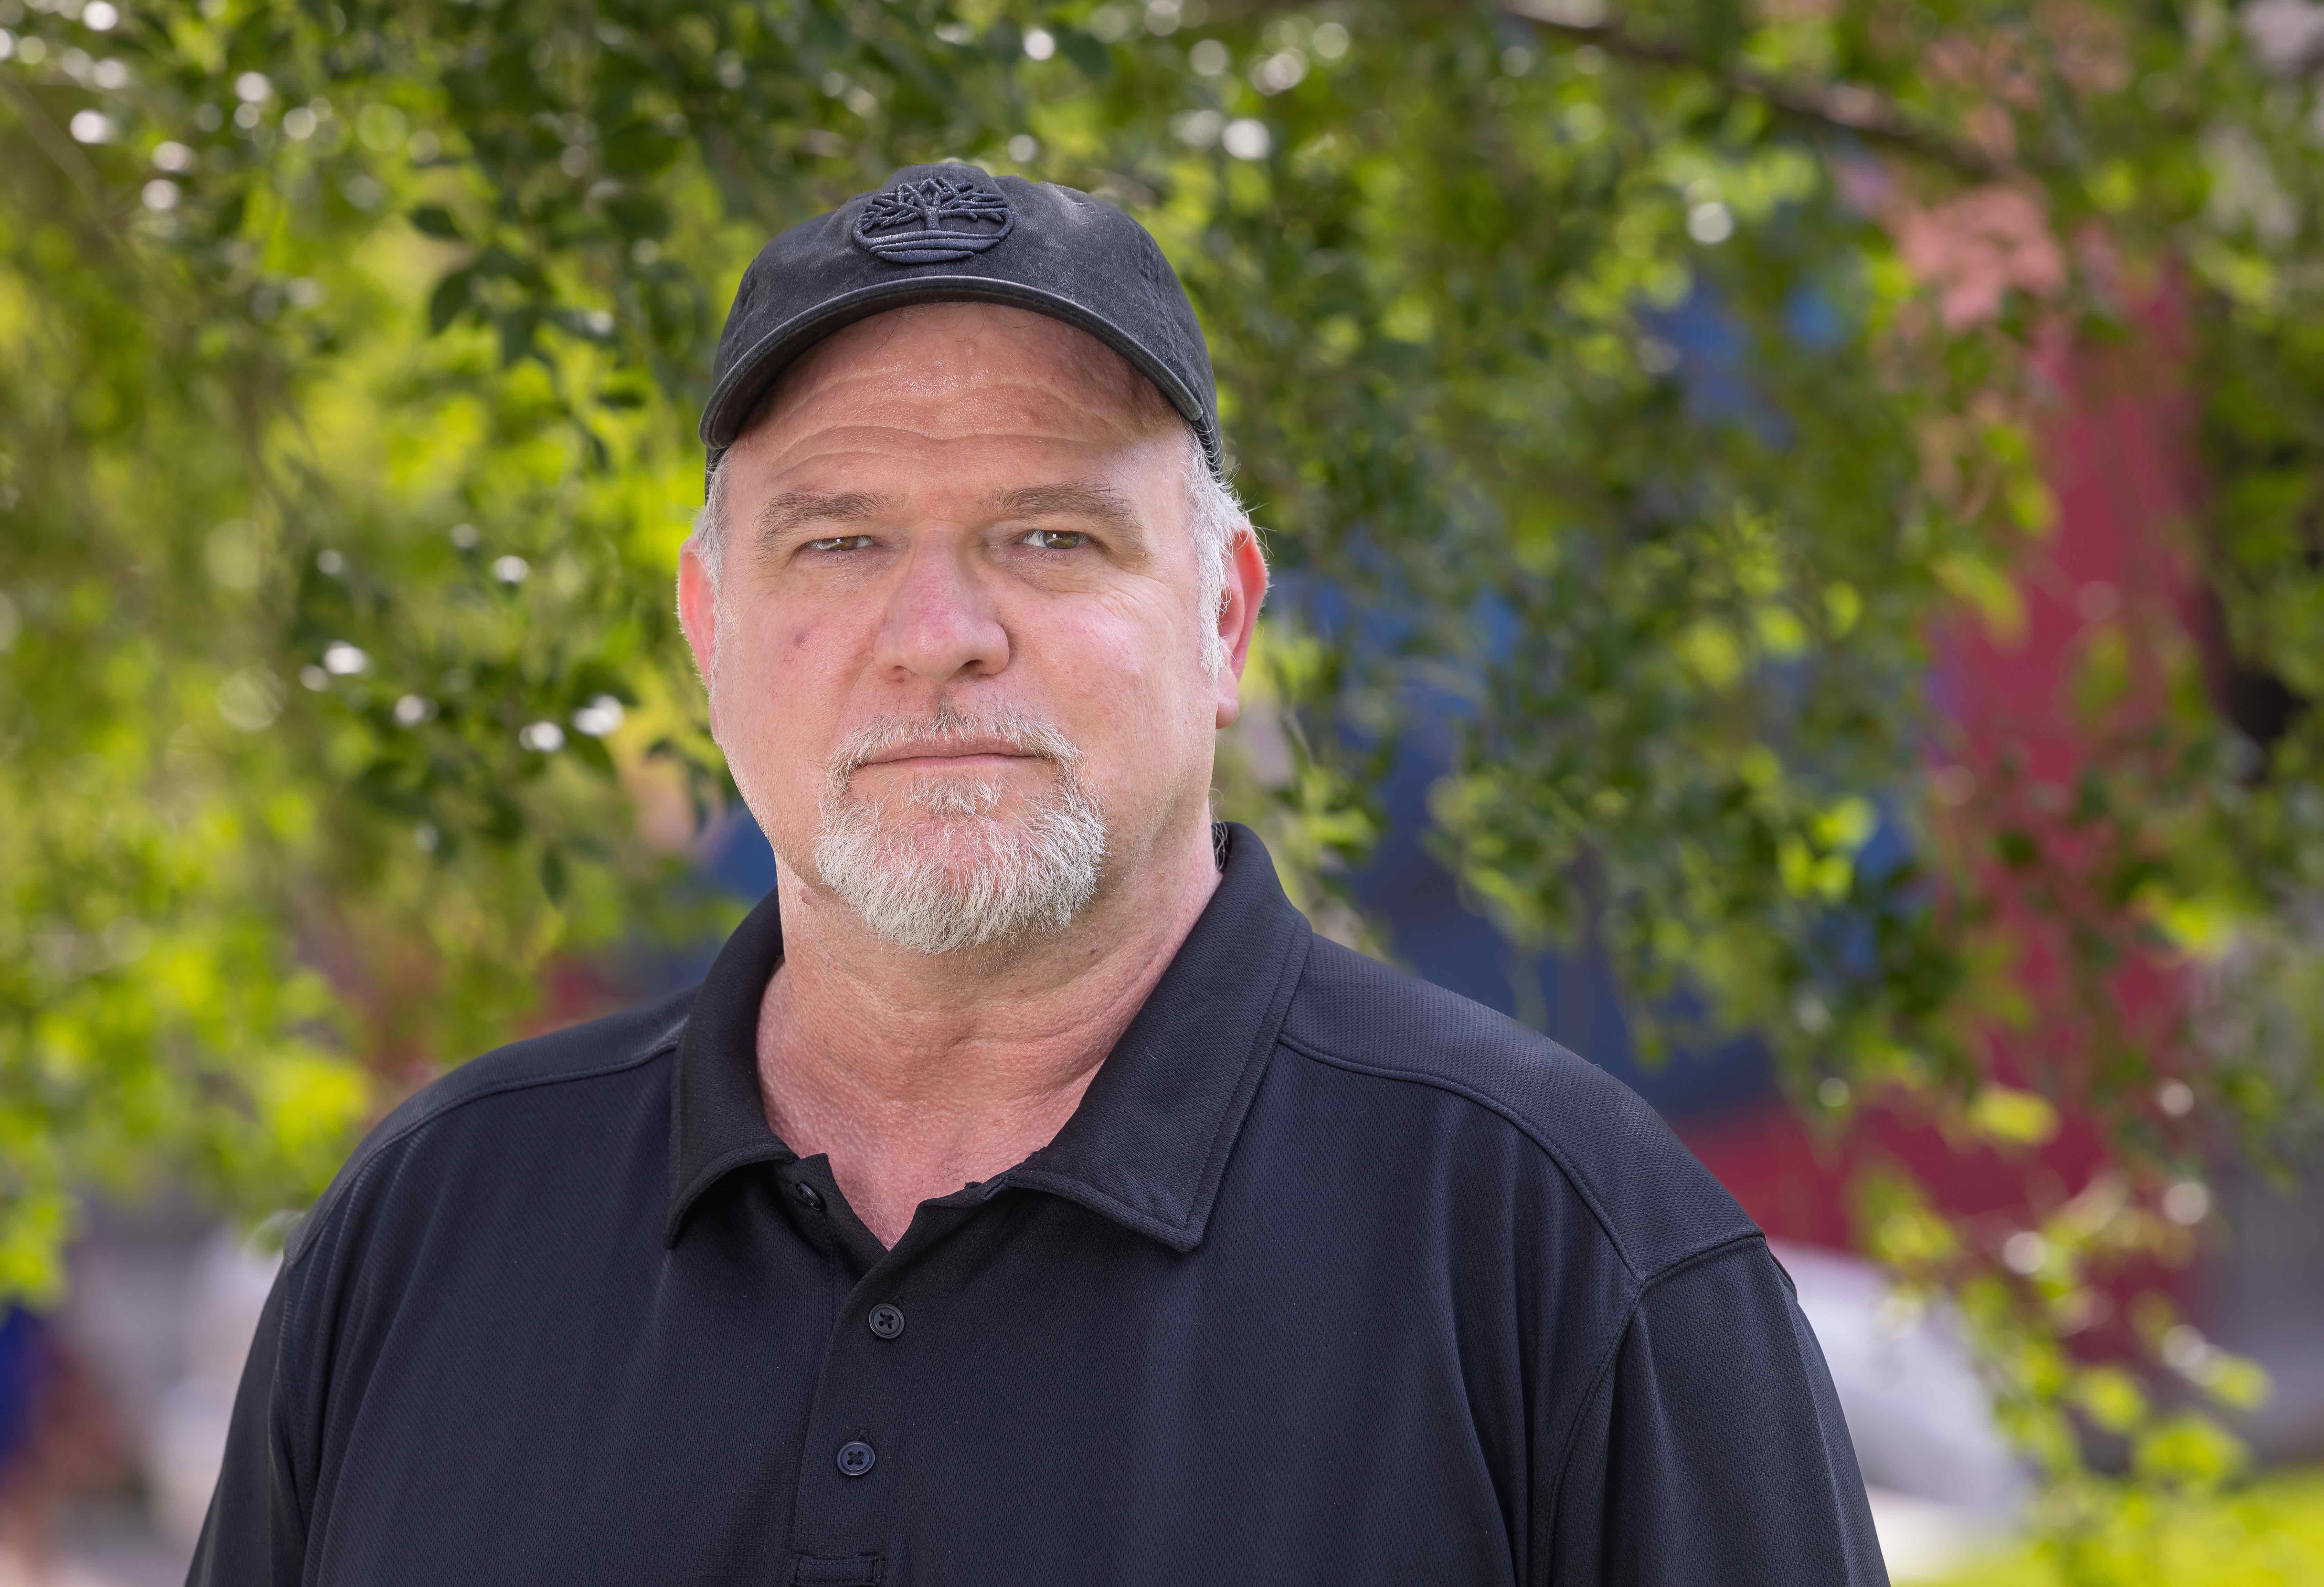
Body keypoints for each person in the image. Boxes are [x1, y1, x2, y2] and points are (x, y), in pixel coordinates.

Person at [187, 162, 1888, 1586]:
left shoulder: (1557, 1249)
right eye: (838, 541)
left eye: (1051, 536)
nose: (939, 637)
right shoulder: (428, 1228)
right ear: (710, 631)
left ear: (1221, 615)